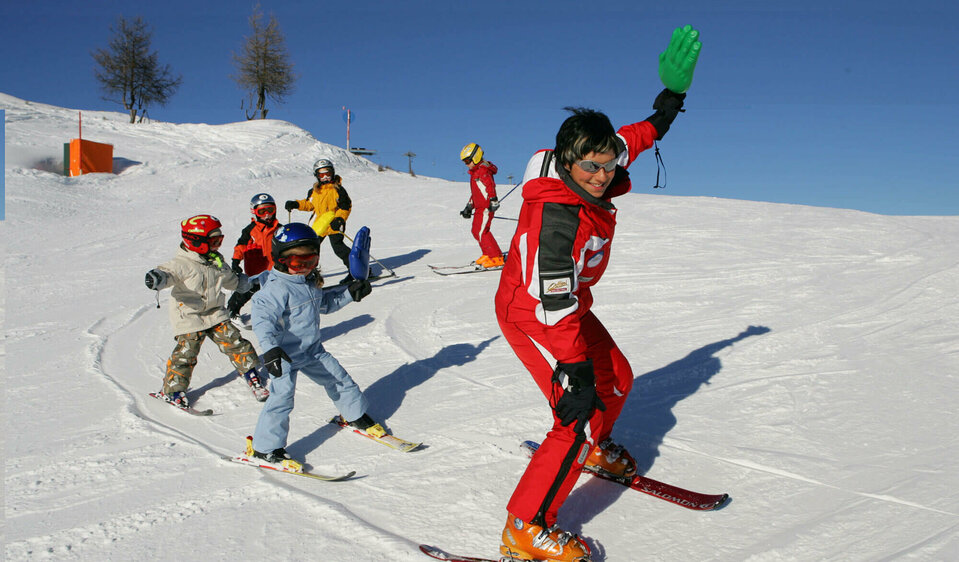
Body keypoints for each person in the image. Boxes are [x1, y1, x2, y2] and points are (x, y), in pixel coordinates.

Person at [493, 25, 701, 562]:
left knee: (618, 379)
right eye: (591, 167)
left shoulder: (597, 158)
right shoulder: (556, 220)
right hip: (533, 312)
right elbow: (550, 300)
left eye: (609, 166)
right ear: (566, 162)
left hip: (568, 305)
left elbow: (637, 136)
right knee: (577, 409)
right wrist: (575, 370)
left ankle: (592, 448)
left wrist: (671, 99)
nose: (602, 176)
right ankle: (525, 526)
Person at [244, 222, 384, 470]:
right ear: (281, 259)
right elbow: (262, 320)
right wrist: (271, 349)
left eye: (311, 262)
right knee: (281, 399)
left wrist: (350, 293)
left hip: (312, 351)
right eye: (299, 263)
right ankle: (265, 449)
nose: (306, 268)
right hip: (283, 356)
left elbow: (325, 304)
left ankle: (354, 415)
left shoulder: (308, 282)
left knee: (339, 379)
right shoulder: (275, 289)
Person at [144, 214, 267, 407]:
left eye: (220, 241)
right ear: (197, 242)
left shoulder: (216, 261)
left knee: (235, 342)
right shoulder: (182, 263)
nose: (218, 246)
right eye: (214, 241)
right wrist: (158, 277)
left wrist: (248, 283)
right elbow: (168, 272)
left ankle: (251, 373)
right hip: (189, 315)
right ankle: (173, 391)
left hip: (215, 312)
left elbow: (231, 280)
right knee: (186, 352)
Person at [284, 158, 354, 284]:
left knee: (339, 248)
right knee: (310, 251)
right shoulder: (315, 191)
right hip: (319, 225)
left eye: (328, 173)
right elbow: (309, 204)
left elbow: (345, 207)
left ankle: (356, 270)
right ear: (317, 176)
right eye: (322, 175)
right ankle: (309, 275)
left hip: (333, 224)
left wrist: (339, 219)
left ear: (333, 173)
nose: (325, 177)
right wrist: (296, 204)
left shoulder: (338, 190)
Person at [226, 193, 282, 319]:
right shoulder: (251, 230)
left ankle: (275, 315)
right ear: (254, 212)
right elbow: (241, 246)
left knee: (276, 292)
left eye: (270, 210)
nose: (267, 215)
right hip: (257, 269)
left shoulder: (280, 229)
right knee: (248, 288)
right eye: (262, 212)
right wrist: (235, 262)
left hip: (276, 269)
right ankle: (232, 310)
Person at [459, 143, 505, 268]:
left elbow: (490, 186)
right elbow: (477, 192)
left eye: (467, 161)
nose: (466, 164)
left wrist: (493, 200)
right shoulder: (475, 172)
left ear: (476, 157)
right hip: (479, 207)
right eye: (464, 162)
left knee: (481, 231)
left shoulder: (482, 171)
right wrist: (469, 206)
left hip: (486, 206)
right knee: (476, 231)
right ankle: (488, 254)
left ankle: (496, 258)